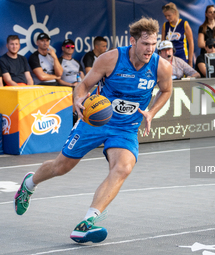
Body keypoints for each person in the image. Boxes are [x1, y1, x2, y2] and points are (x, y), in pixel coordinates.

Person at [14, 17, 173, 244]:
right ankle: (29, 184)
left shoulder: (161, 66)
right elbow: (84, 85)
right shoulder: (110, 59)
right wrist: (78, 101)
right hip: (96, 120)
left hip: (126, 127)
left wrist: (151, 112)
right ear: (133, 41)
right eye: (145, 44)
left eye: (153, 44)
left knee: (123, 168)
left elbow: (166, 90)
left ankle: (87, 222)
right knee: (61, 167)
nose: (150, 49)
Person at [161, 2, 194, 67]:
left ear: (175, 12)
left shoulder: (184, 24)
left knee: (182, 76)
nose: (167, 18)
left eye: (169, 15)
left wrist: (190, 61)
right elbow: (162, 44)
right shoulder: (165, 25)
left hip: (182, 56)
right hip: (169, 57)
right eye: (165, 16)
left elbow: (191, 43)